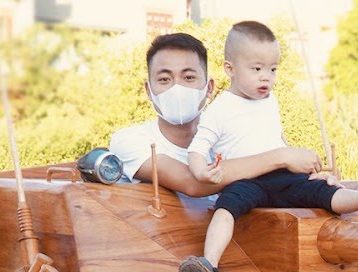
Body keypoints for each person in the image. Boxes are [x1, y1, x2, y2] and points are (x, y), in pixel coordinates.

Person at [178, 20, 358, 272]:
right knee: (225, 209)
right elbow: (197, 148)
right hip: (248, 180)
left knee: (320, 191)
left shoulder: (270, 101)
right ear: (229, 69)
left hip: (283, 175)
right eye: (256, 69)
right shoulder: (219, 109)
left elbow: (277, 140)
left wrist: (306, 168)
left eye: (272, 69)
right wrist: (201, 171)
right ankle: (209, 264)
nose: (266, 77)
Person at [108, 32, 323, 199]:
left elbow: (281, 181)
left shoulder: (237, 135)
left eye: (189, 77)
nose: (177, 88)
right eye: (164, 79)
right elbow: (192, 182)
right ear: (148, 90)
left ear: (209, 87)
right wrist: (281, 158)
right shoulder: (130, 140)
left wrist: (318, 184)